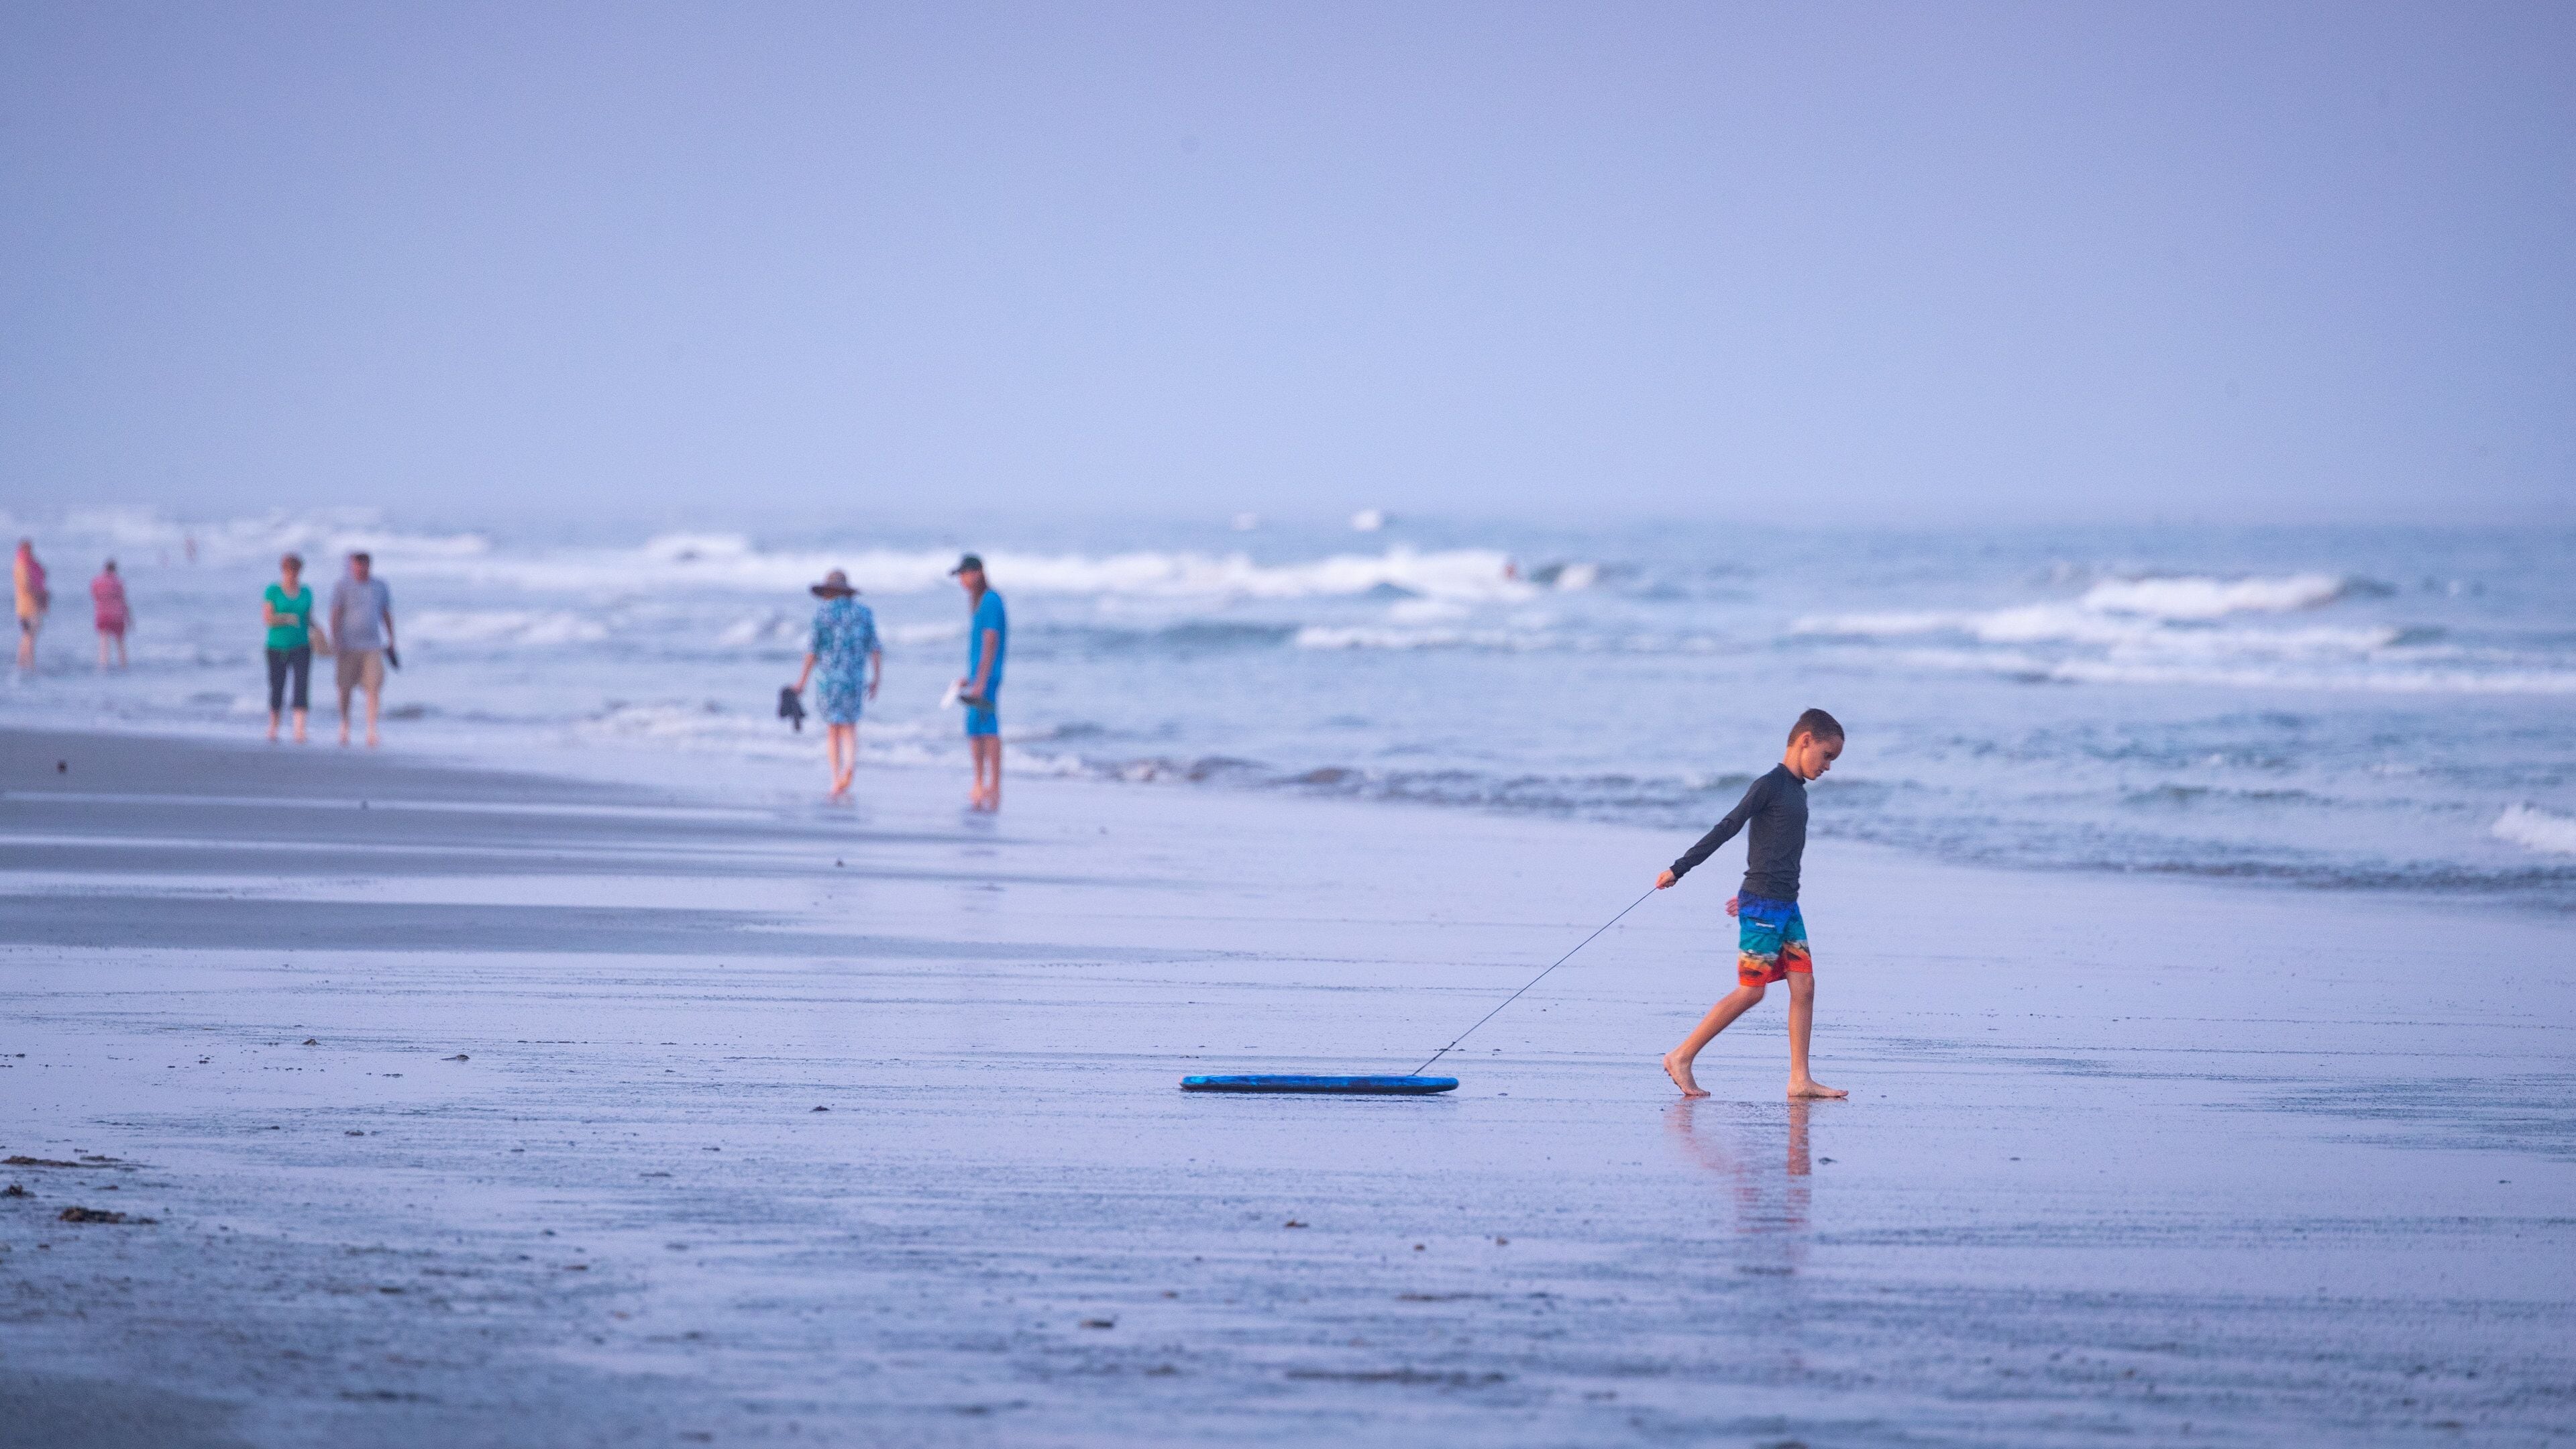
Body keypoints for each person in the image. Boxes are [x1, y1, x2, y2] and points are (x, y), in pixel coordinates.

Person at [1654, 708, 1849, 1102]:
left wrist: (1747, 890)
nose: (1828, 766)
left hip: (1785, 906)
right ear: (1805, 739)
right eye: (1827, 755)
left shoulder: (1797, 792)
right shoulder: (1770, 786)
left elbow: (1773, 849)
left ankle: (1800, 1079)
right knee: (1751, 991)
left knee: (1805, 986)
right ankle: (1681, 1056)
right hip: (1765, 905)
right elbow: (1729, 827)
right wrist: (1680, 868)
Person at [788, 568, 882, 801]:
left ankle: (835, 778)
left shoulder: (823, 614)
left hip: (828, 679)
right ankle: (850, 767)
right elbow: (875, 648)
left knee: (833, 730)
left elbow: (812, 651)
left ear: (828, 591)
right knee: (850, 727)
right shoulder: (864, 613)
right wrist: (876, 678)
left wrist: (801, 681)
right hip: (854, 678)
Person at [950, 553, 1008, 810]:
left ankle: (992, 784)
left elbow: (991, 640)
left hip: (988, 678)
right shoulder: (981, 602)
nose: (962, 580)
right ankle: (979, 781)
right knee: (975, 729)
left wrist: (982, 680)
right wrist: (970, 677)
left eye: (964, 574)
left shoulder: (991, 601)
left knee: (988, 729)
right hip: (980, 676)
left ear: (976, 573)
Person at [329, 551, 396, 747]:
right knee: (344, 688)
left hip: (373, 645)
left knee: (374, 686)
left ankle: (372, 729)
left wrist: (391, 639)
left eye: (363, 565)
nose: (360, 569)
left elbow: (386, 613)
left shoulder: (379, 586)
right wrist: (336, 639)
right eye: (356, 566)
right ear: (352, 566)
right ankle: (345, 724)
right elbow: (335, 613)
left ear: (369, 566)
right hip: (348, 645)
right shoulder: (342, 586)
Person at [261, 553, 327, 743]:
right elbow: (267, 618)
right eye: (289, 572)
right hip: (277, 646)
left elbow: (308, 618)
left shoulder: (306, 592)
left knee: (301, 685)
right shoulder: (273, 591)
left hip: (301, 645)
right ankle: (274, 726)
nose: (292, 576)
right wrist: (286, 618)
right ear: (283, 571)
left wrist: (319, 631)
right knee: (277, 685)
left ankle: (299, 728)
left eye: (296, 572)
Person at [13, 539, 48, 674]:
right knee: (29, 635)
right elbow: (25, 586)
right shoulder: (22, 565)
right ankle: (29, 665)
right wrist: (39, 594)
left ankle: (23, 664)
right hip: (27, 607)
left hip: (30, 606)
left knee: (28, 635)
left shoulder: (30, 565)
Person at [91, 559, 130, 669]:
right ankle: (124, 666)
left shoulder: (97, 582)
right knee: (120, 643)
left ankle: (103, 666)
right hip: (117, 615)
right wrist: (130, 619)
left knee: (104, 643)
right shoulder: (118, 582)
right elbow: (123, 600)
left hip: (102, 614)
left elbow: (95, 596)